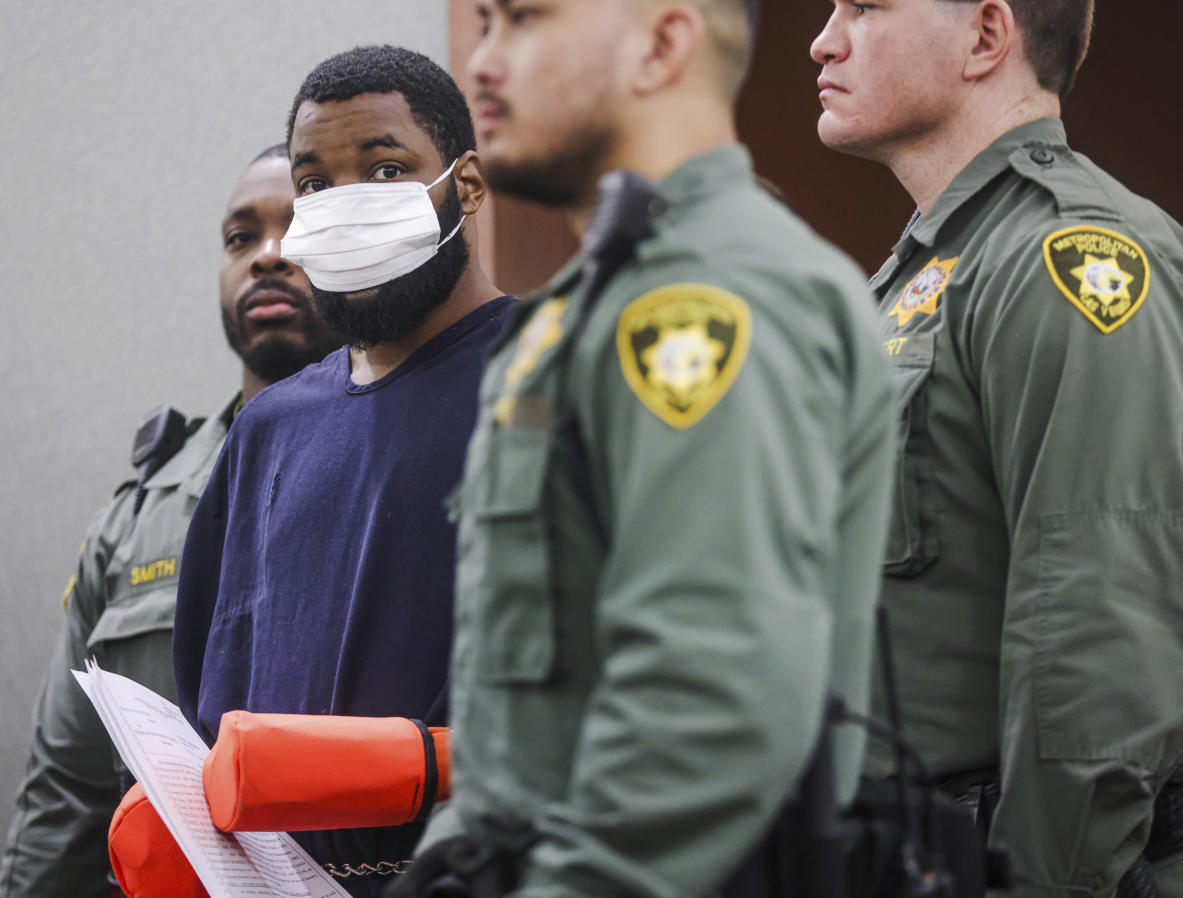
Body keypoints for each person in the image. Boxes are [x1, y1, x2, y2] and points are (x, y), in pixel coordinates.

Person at [396, 1, 895, 896]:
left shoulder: (714, 295)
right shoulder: (579, 310)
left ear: (665, 44)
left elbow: (707, 711)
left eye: (522, 20)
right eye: (482, 22)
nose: (482, 61)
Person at [811, 1, 1183, 895]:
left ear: (986, 35)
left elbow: (1107, 646)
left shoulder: (1070, 256)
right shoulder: (930, 269)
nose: (825, 38)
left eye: (864, 6)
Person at [172, 45, 515, 897]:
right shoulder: (270, 429)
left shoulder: (554, 375)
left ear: (466, 186)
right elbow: (209, 700)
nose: (340, 205)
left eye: (386, 168)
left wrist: (423, 765)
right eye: (315, 184)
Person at [0, 144, 341, 898]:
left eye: (300, 227)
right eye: (240, 238)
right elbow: (67, 795)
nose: (267, 257)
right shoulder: (137, 522)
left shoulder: (419, 468)